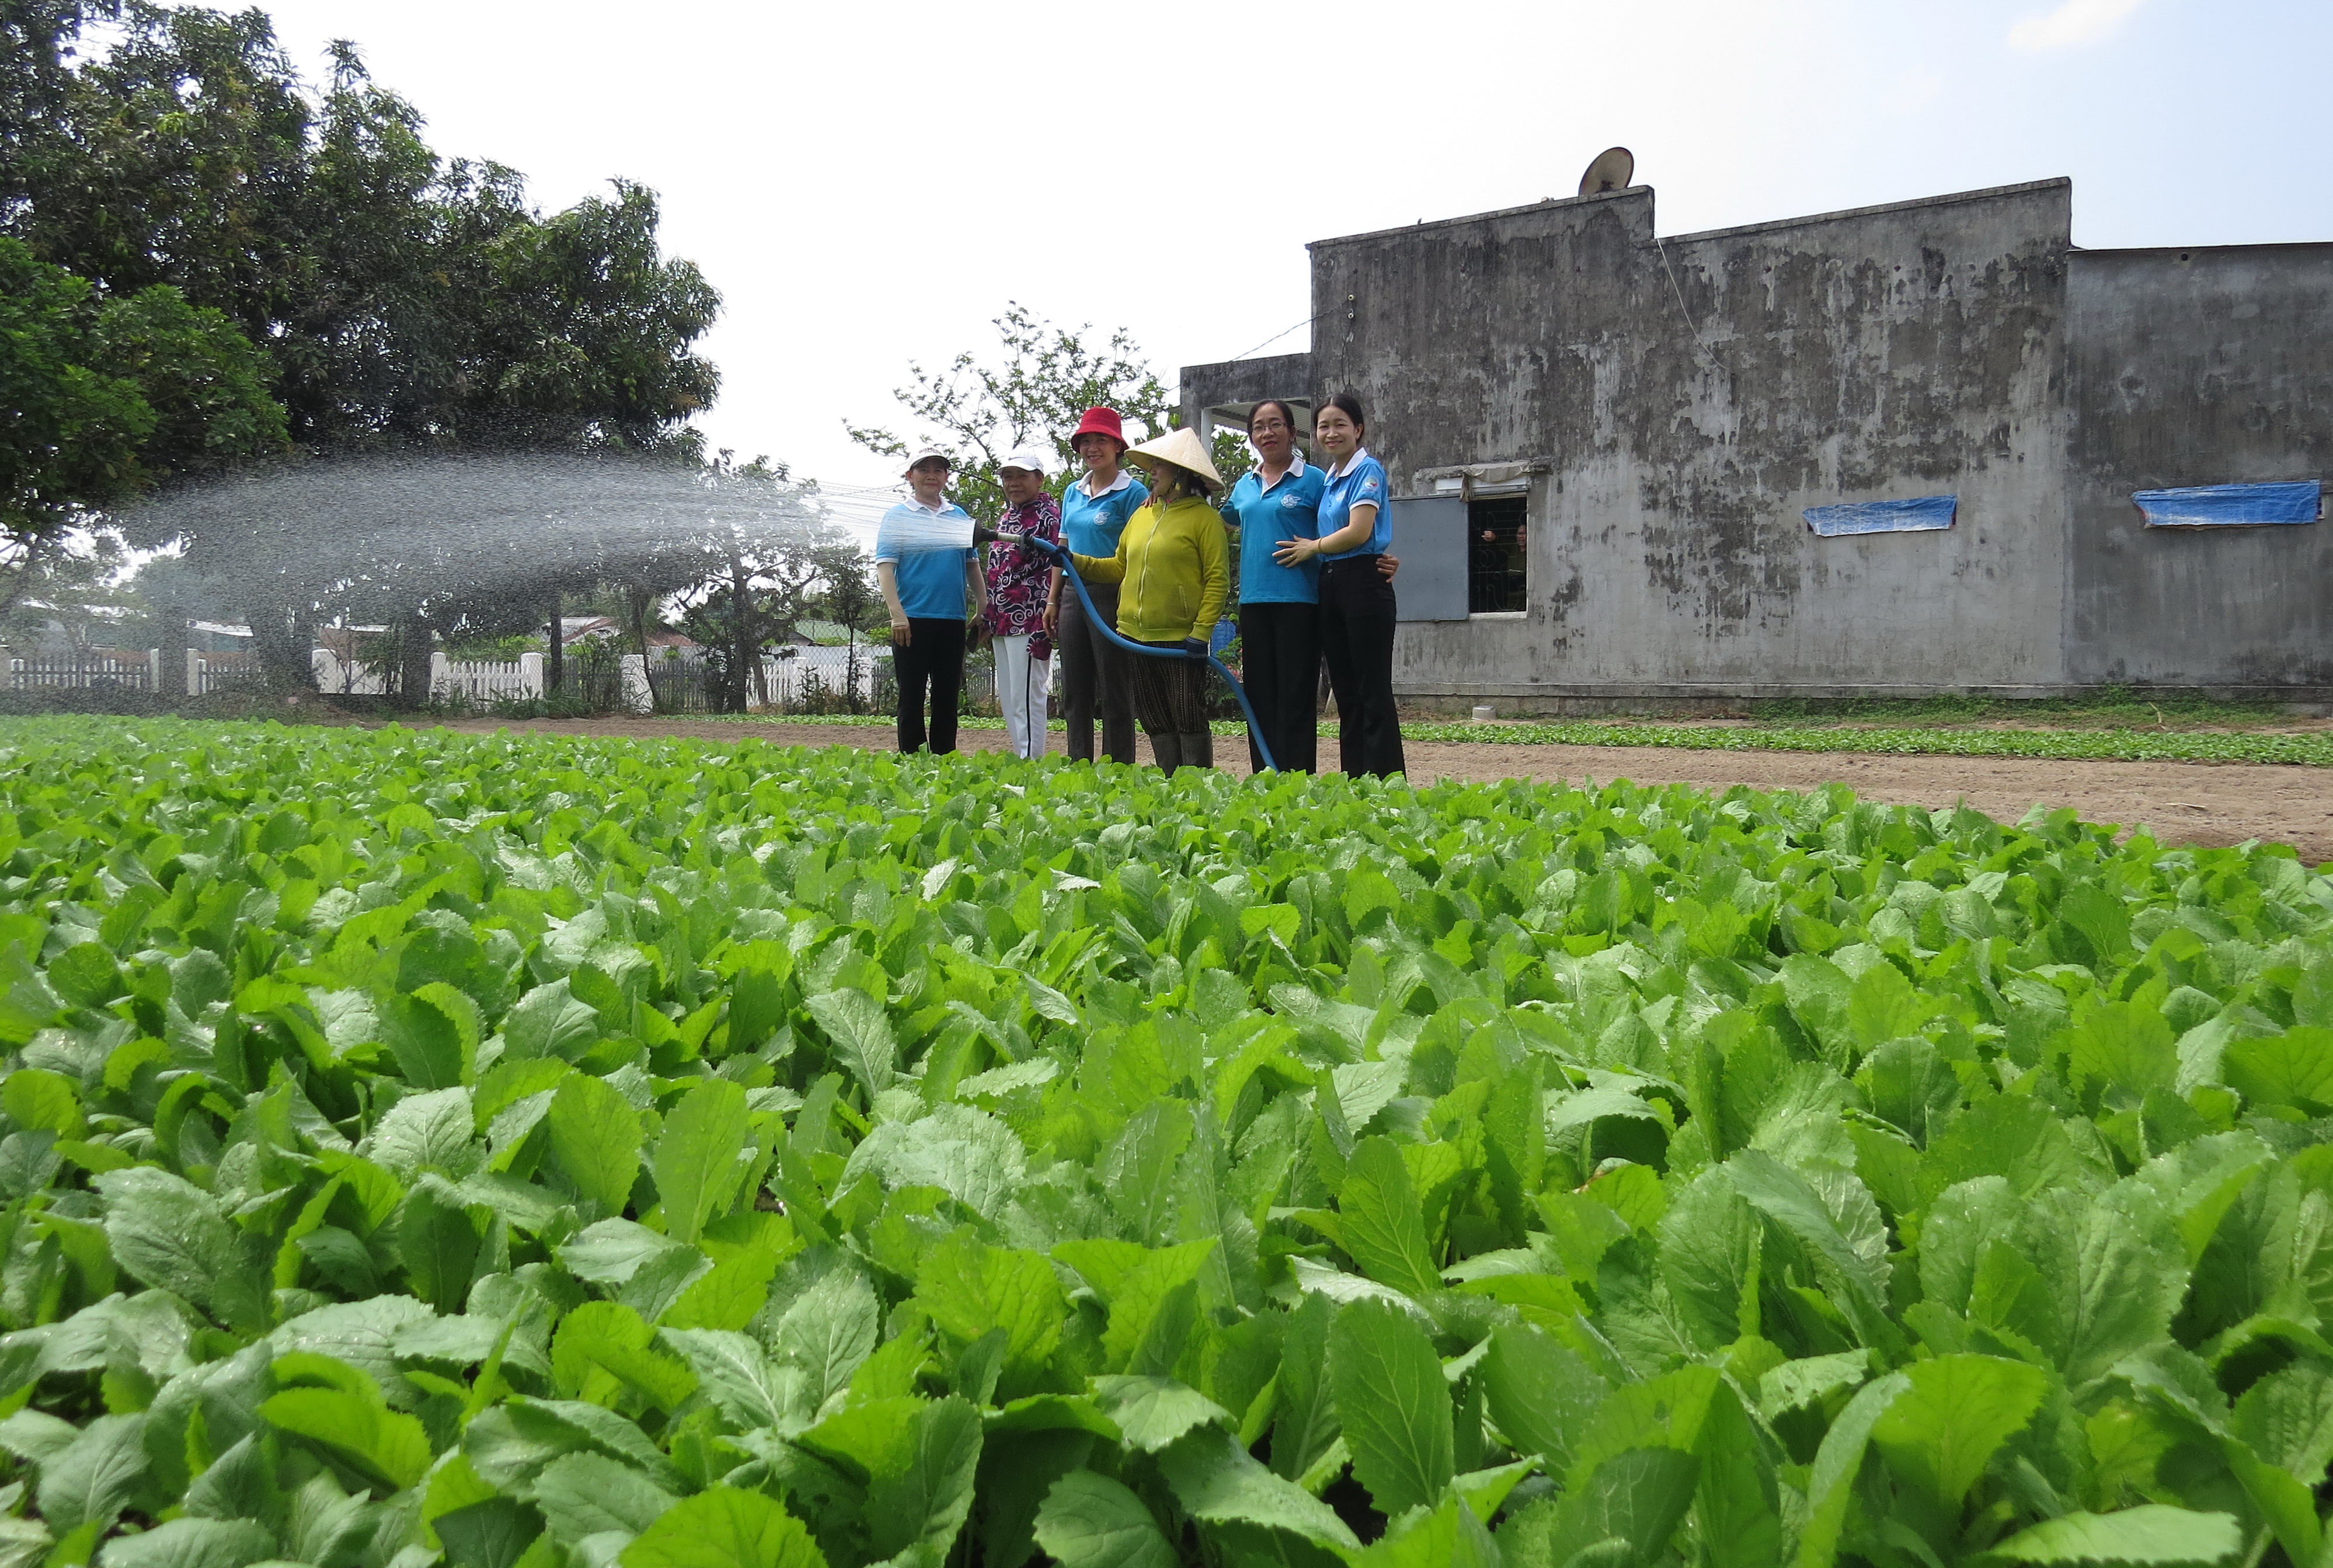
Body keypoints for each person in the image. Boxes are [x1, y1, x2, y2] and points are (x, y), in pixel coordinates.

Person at [1068, 428, 1227, 772]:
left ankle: (1197, 787)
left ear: (1182, 473)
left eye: (1159, 466)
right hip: (1134, 637)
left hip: (1180, 639)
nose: (1151, 472)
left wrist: (1201, 633)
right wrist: (1073, 559)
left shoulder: (1205, 519)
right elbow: (1117, 567)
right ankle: (1171, 784)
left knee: (1188, 714)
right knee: (1154, 716)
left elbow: (1217, 581)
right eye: (1151, 465)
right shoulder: (1142, 515)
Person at [1274, 394, 1405, 776]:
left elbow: (1359, 531)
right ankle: (1356, 779)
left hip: (1363, 580)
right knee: (1346, 691)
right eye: (1324, 426)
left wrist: (1312, 547)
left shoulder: (1368, 472)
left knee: (1372, 689)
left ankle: (1386, 781)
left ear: (1358, 429)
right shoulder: (1329, 478)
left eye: (1340, 424)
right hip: (1331, 582)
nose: (1331, 433)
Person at [1218, 399, 1324, 771]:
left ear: (1292, 433)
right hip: (1254, 601)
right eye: (1259, 427)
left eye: (1276, 424)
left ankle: (1298, 778)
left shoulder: (1314, 480)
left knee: (1296, 695)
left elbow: (1342, 522)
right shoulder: (1244, 485)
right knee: (1260, 696)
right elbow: (1221, 519)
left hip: (1300, 600)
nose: (1268, 433)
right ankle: (1265, 775)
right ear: (1251, 437)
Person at [1049, 407, 1148, 764]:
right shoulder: (1072, 492)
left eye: (1101, 440)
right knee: (1075, 687)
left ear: (1118, 446)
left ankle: (1117, 766)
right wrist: (1052, 600)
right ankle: (1079, 762)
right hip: (1074, 595)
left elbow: (1138, 552)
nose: (1092, 447)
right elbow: (1062, 547)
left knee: (1114, 686)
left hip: (1113, 595)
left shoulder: (1134, 493)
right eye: (1086, 441)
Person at [873, 447, 984, 754]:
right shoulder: (897, 517)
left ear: (947, 477)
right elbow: (886, 568)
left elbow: (971, 564)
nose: (932, 475)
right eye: (924, 470)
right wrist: (897, 614)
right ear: (911, 476)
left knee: (947, 696)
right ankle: (912, 756)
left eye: (939, 470)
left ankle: (944, 757)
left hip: (952, 619)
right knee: (911, 694)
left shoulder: (958, 516)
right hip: (912, 620)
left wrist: (982, 607)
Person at [984, 447, 1060, 761]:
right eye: (1008, 476)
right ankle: (1022, 757)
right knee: (1012, 697)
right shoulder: (1008, 516)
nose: (1013, 482)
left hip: (1031, 618)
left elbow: (1059, 564)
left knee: (1028, 697)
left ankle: (1032, 764)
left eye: (1021, 476)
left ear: (1039, 479)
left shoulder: (1049, 515)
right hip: (1002, 620)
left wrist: (1050, 608)